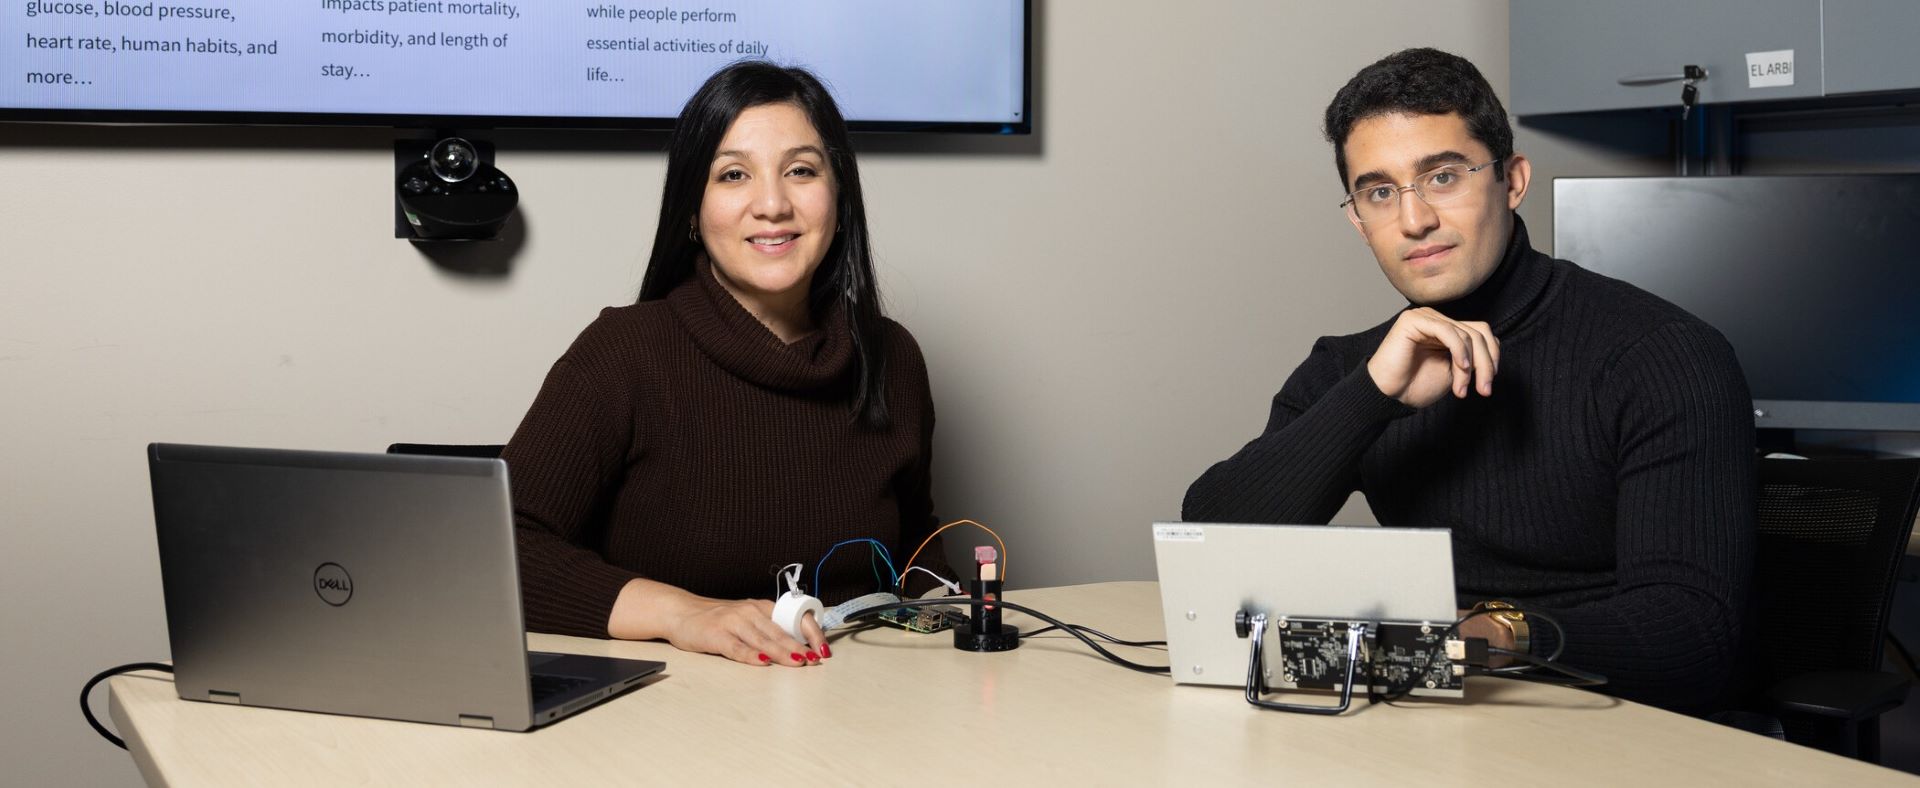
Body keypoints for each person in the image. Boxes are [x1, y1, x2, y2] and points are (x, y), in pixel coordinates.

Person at [1181, 48, 1755, 712]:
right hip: (1422, 712)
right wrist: (1372, 399)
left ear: (1512, 181)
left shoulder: (1661, 354)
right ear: (1358, 221)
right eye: (1379, 192)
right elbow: (1211, 548)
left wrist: (1491, 639)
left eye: (1444, 177)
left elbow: (1693, 636)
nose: (1414, 219)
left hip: (1603, 717)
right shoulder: (1356, 369)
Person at [502, 61, 945, 668]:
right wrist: (683, 614)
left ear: (840, 197)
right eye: (734, 174)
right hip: (679, 708)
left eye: (801, 170)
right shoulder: (623, 353)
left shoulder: (893, 356)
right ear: (692, 210)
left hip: (865, 700)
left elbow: (917, 550)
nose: (773, 204)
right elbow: (503, 549)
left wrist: (959, 613)